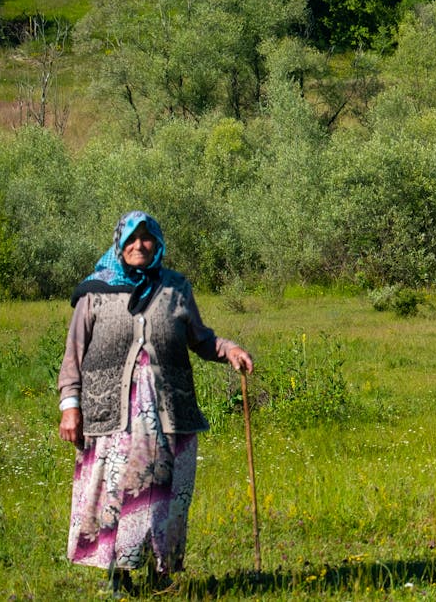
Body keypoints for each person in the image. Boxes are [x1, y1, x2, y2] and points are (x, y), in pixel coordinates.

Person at [56, 211, 253, 595]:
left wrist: (228, 349)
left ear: (158, 243)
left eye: (146, 239)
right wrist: (70, 405)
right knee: (116, 493)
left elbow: (201, 338)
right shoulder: (96, 290)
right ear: (119, 244)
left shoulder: (175, 288)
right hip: (112, 417)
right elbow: (73, 354)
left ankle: (156, 572)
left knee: (161, 494)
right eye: (131, 239)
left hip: (167, 415)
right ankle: (118, 575)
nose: (139, 246)